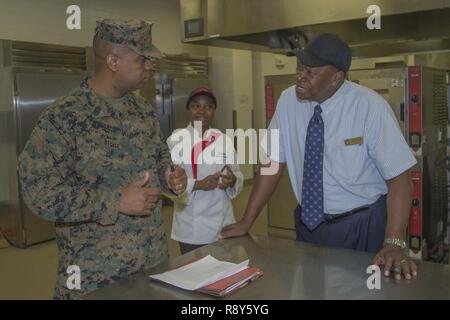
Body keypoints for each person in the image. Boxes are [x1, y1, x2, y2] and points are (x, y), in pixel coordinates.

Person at [221, 33, 419, 281]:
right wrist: (246, 221)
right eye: (299, 68)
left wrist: (393, 243)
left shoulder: (369, 107)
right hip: (309, 225)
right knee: (312, 289)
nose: (300, 76)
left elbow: (399, 178)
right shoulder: (287, 102)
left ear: (336, 77)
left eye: (310, 71)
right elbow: (272, 162)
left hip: (361, 225)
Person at [18, 19, 187, 299]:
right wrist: (114, 201)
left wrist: (170, 176)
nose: (150, 66)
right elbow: (38, 192)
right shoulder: (64, 117)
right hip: (96, 277)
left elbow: (158, 159)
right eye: (143, 59)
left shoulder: (143, 110)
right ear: (112, 61)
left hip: (151, 264)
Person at [167, 87, 243, 254]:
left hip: (222, 223)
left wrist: (233, 180)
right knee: (195, 276)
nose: (202, 111)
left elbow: (237, 173)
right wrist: (198, 184)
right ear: (188, 109)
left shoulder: (224, 140)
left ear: (214, 111)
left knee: (223, 273)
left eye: (208, 106)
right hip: (192, 228)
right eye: (196, 106)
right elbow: (171, 181)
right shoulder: (176, 140)